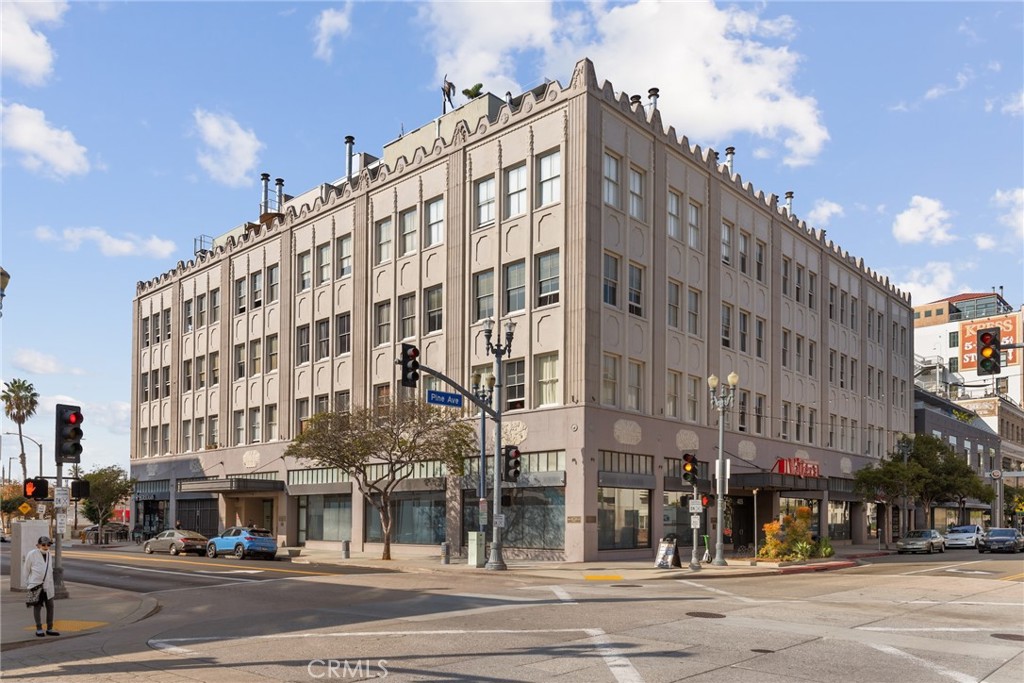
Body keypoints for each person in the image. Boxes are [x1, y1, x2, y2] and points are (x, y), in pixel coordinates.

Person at [23, 536, 59, 637]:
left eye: (48, 545)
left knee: (50, 606)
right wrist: (28, 584)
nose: (46, 546)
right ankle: (39, 628)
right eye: (43, 544)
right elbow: (26, 570)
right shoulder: (32, 554)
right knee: (37, 606)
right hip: (36, 585)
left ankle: (50, 628)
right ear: (38, 545)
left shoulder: (49, 554)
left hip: (48, 586)